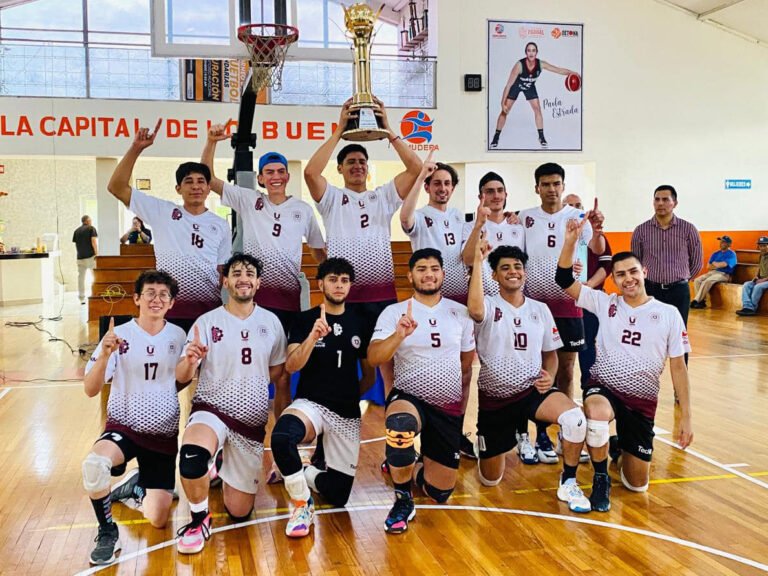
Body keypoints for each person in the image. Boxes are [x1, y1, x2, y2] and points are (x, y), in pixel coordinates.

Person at [556, 218, 693, 512]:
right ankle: (601, 478)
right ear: (613, 280)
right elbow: (563, 279)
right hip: (604, 387)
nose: (628, 278)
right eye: (620, 275)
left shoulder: (668, 314)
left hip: (642, 401)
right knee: (595, 413)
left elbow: (679, 367)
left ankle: (616, 448)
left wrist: (686, 418)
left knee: (636, 484)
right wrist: (570, 241)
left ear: (644, 272)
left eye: (633, 271)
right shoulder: (606, 303)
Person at [468, 238, 591, 512]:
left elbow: (551, 353)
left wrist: (550, 375)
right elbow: (474, 310)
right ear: (494, 275)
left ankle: (569, 482)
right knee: (490, 479)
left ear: (525, 271)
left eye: (518, 266)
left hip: (531, 391)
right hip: (495, 398)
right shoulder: (487, 304)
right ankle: (491, 445)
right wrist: (477, 260)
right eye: (505, 268)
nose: (513, 271)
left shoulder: (540, 309)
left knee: (574, 419)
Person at [174, 253, 286, 555]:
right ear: (225, 281)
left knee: (239, 510)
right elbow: (182, 377)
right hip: (212, 408)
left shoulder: (271, 323)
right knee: (192, 456)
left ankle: (221, 463)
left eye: (250, 273)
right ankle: (199, 518)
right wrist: (189, 361)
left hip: (250, 422)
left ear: (259, 283)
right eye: (236, 273)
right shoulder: (206, 322)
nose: (243, 278)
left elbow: (276, 372)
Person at [81, 270, 186, 565]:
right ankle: (107, 531)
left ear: (171, 303)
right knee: (94, 465)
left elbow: (181, 380)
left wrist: (189, 363)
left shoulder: (178, 336)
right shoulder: (119, 335)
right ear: (137, 298)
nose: (156, 299)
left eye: (163, 294)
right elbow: (90, 389)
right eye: (150, 293)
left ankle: (133, 487)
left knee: (158, 520)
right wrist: (104, 355)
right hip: (124, 427)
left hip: (163, 435)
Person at [368, 248, 475, 534]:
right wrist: (399, 335)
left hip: (447, 406)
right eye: (421, 269)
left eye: (434, 268)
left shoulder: (460, 312)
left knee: (439, 492)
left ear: (442, 273)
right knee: (400, 425)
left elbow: (466, 365)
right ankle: (402, 499)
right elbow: (375, 357)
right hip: (409, 397)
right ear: (410, 275)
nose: (429, 274)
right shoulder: (394, 312)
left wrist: (460, 410)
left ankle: (404, 464)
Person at [303, 97, 422, 346]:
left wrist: (387, 129)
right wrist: (339, 132)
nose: (357, 166)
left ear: (368, 168)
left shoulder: (382, 196)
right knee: (345, 358)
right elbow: (311, 172)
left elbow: (415, 168)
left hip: (381, 293)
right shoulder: (332, 198)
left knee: (386, 357)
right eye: (350, 162)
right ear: (339, 169)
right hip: (343, 294)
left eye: (362, 162)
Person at [270, 258, 375, 538]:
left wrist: (345, 396)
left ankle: (303, 470)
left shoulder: (360, 323)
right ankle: (302, 504)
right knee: (282, 437)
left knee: (338, 495)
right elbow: (291, 366)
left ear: (350, 285)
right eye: (332, 279)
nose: (338, 285)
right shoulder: (305, 319)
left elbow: (369, 377)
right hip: (311, 405)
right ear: (320, 284)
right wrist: (313, 337)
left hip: (346, 412)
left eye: (344, 280)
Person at [107, 119, 232, 333]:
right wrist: (136, 148)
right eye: (188, 181)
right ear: (178, 188)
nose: (195, 186)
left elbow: (222, 271)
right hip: (168, 310)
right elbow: (116, 187)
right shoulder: (162, 212)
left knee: (205, 365)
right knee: (170, 365)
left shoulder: (220, 224)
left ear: (208, 188)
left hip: (208, 311)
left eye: (201, 181)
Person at [517, 163, 604, 464]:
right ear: (536, 187)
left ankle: (563, 431)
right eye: (545, 184)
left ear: (563, 186)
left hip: (568, 306)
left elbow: (596, 246)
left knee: (566, 371)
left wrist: (599, 227)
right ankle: (536, 432)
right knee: (538, 370)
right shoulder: (524, 218)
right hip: (535, 307)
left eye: (556, 183)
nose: (551, 189)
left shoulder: (578, 217)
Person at [202, 123, 326, 334]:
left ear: (288, 176)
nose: (275, 177)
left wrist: (330, 275)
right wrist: (211, 142)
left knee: (285, 354)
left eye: (280, 171)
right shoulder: (248, 200)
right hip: (254, 295)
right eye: (269, 172)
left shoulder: (303, 209)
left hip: (288, 296)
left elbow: (317, 249)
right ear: (260, 178)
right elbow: (209, 179)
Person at [630, 185, 702, 364]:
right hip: (651, 290)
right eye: (657, 199)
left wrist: (681, 279)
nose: (660, 203)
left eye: (665, 199)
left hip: (678, 291)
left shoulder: (688, 230)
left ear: (675, 203)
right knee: (646, 334)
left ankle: (681, 388)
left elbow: (697, 262)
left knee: (679, 337)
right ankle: (643, 381)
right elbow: (635, 263)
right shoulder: (641, 230)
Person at [400, 152, 467, 304]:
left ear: (452, 188)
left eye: (447, 183)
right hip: (430, 295)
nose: (442, 188)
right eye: (437, 183)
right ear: (427, 187)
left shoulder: (458, 215)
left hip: (460, 294)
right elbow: (405, 218)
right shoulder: (419, 215)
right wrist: (421, 176)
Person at [490, 41, 580, 149]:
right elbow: (508, 85)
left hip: (529, 86)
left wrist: (573, 72)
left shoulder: (541, 64)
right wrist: (502, 103)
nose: (531, 53)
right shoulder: (519, 65)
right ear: (526, 53)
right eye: (529, 50)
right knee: (505, 110)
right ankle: (496, 135)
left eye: (533, 50)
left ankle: (541, 136)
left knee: (537, 109)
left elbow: (558, 69)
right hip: (516, 85)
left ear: (536, 52)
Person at [563, 193, 613, 388]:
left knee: (589, 346)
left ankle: (590, 387)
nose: (575, 209)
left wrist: (588, 287)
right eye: (570, 206)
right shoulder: (559, 235)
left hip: (590, 300)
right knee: (562, 353)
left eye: (578, 205)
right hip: (564, 302)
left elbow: (605, 262)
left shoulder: (594, 234)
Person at [462, 172, 525, 297]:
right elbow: (468, 260)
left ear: (505, 195)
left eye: (500, 190)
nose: (496, 196)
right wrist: (478, 226)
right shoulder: (470, 227)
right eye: (490, 191)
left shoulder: (519, 227)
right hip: (483, 298)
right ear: (481, 197)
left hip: (514, 298)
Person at [691, 235, 736, 309]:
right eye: (721, 242)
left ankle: (696, 301)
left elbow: (724, 265)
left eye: (724, 242)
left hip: (724, 274)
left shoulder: (732, 254)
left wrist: (715, 263)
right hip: (712, 272)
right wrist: (718, 265)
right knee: (697, 280)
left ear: (729, 244)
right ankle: (701, 302)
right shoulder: (715, 253)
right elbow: (708, 266)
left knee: (707, 281)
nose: (721, 243)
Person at [736, 236, 768, 316]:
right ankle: (747, 307)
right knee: (747, 284)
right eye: (761, 246)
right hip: (762, 279)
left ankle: (752, 308)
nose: (762, 248)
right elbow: (760, 267)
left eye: (764, 246)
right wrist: (756, 276)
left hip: (766, 280)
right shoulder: (761, 255)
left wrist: (764, 280)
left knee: (758, 287)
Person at [73, 214, 98, 304]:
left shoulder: (76, 231)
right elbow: (93, 241)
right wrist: (96, 253)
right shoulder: (91, 228)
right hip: (90, 257)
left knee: (81, 278)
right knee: (95, 276)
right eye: (90, 220)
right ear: (87, 221)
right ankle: (94, 294)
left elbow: (76, 244)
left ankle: (81, 298)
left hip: (80, 258)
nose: (91, 222)